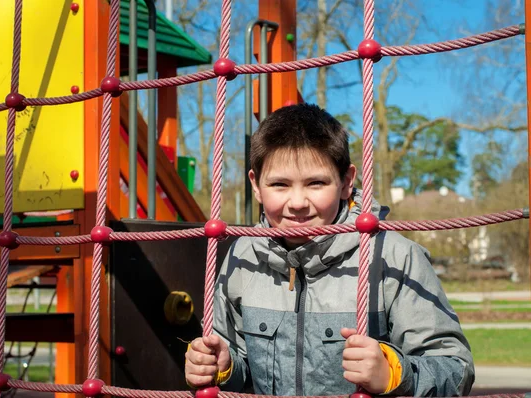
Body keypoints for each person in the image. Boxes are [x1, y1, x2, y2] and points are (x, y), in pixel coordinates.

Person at [184, 103, 474, 396]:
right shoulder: (241, 257)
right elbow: (244, 370)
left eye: (316, 183)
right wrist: (225, 366)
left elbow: (456, 371)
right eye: (280, 184)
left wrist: (395, 373)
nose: (297, 202)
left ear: (346, 182)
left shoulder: (394, 258)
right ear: (256, 185)